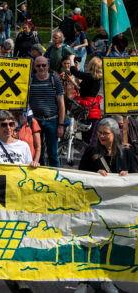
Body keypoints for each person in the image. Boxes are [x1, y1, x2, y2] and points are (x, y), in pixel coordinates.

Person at [75, 118, 135, 293]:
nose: (101, 136)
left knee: (109, 242)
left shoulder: (126, 153)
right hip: (93, 206)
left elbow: (135, 175)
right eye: (99, 132)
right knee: (89, 242)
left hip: (116, 209)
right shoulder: (90, 152)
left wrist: (127, 175)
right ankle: (83, 281)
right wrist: (94, 174)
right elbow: (80, 177)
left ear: (114, 134)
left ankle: (106, 279)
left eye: (105, 133)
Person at [28, 56, 65, 167]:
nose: (41, 67)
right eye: (38, 65)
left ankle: (55, 177)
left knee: (53, 153)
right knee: (38, 153)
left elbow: (61, 104)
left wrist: (60, 125)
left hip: (52, 121)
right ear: (34, 67)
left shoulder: (55, 80)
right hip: (35, 121)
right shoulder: (30, 80)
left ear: (48, 66)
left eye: (44, 65)